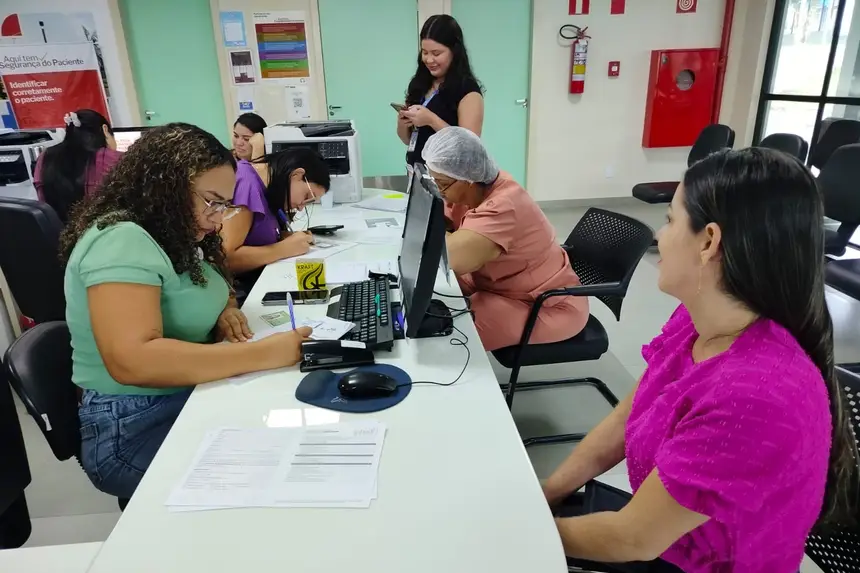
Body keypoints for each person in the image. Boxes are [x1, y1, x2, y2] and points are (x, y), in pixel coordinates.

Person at [543, 148, 858, 572]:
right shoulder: (697, 321)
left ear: (709, 241)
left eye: (670, 220)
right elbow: (628, 415)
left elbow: (634, 537)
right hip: (667, 540)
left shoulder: (753, 395)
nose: (660, 235)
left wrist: (521, 528)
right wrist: (547, 493)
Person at [60, 123, 312, 499]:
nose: (218, 219)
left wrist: (223, 309)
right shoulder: (121, 239)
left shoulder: (173, 232)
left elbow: (208, 281)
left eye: (224, 206)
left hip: (178, 395)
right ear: (165, 186)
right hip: (130, 424)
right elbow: (133, 360)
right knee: (277, 474)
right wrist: (263, 354)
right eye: (212, 202)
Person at [422, 127, 589, 351]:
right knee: (428, 299)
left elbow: (451, 258)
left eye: (442, 183)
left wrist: (426, 228)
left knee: (449, 336)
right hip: (499, 284)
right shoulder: (478, 186)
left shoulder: (504, 205)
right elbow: (442, 216)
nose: (439, 190)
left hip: (545, 304)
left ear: (467, 180)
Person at [220, 148, 330, 291]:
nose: (301, 207)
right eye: (306, 196)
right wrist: (283, 248)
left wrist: (284, 237)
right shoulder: (246, 185)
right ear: (296, 175)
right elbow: (226, 260)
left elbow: (253, 235)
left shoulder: (270, 189)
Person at [397, 14, 484, 167]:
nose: (429, 60)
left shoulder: (468, 91)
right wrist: (403, 124)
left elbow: (469, 149)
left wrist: (431, 120)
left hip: (448, 178)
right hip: (417, 172)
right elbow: (408, 140)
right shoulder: (420, 83)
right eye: (425, 52)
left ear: (454, 51)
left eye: (436, 53)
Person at [33, 109, 121, 223]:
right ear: (105, 129)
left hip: (61, 231)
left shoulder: (45, 156)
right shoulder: (113, 158)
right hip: (104, 229)